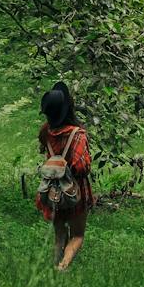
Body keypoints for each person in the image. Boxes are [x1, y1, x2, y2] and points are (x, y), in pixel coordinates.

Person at [36, 80, 93, 271]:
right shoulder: (78, 135)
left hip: (52, 190)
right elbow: (81, 167)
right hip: (75, 190)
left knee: (59, 234)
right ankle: (64, 265)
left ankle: (55, 264)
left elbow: (44, 150)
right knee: (77, 235)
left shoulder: (46, 131)